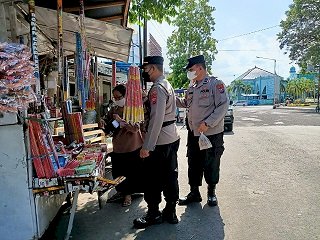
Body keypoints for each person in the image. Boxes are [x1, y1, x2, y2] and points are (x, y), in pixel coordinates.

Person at [133, 56, 180, 229]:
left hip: (159, 141)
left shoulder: (157, 88)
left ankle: (153, 213)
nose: (144, 73)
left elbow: (156, 119)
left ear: (152, 68)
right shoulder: (166, 84)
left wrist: (147, 146)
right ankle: (171, 211)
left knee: (152, 178)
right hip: (171, 137)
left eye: (145, 70)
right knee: (170, 175)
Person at [176, 55, 228, 207]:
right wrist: (171, 97)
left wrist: (208, 123)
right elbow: (186, 104)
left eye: (191, 69)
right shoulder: (191, 87)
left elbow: (223, 106)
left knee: (211, 163)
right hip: (194, 134)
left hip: (211, 133)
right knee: (193, 162)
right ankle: (194, 192)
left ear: (199, 68)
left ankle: (211, 192)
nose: (190, 73)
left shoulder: (215, 84)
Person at [100, 84, 144, 207]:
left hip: (132, 146)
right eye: (114, 98)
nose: (116, 100)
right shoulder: (114, 109)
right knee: (118, 172)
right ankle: (122, 192)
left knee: (131, 172)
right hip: (118, 146)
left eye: (118, 97)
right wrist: (107, 122)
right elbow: (109, 125)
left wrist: (121, 122)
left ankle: (128, 195)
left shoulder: (133, 109)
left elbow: (135, 128)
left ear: (125, 96)